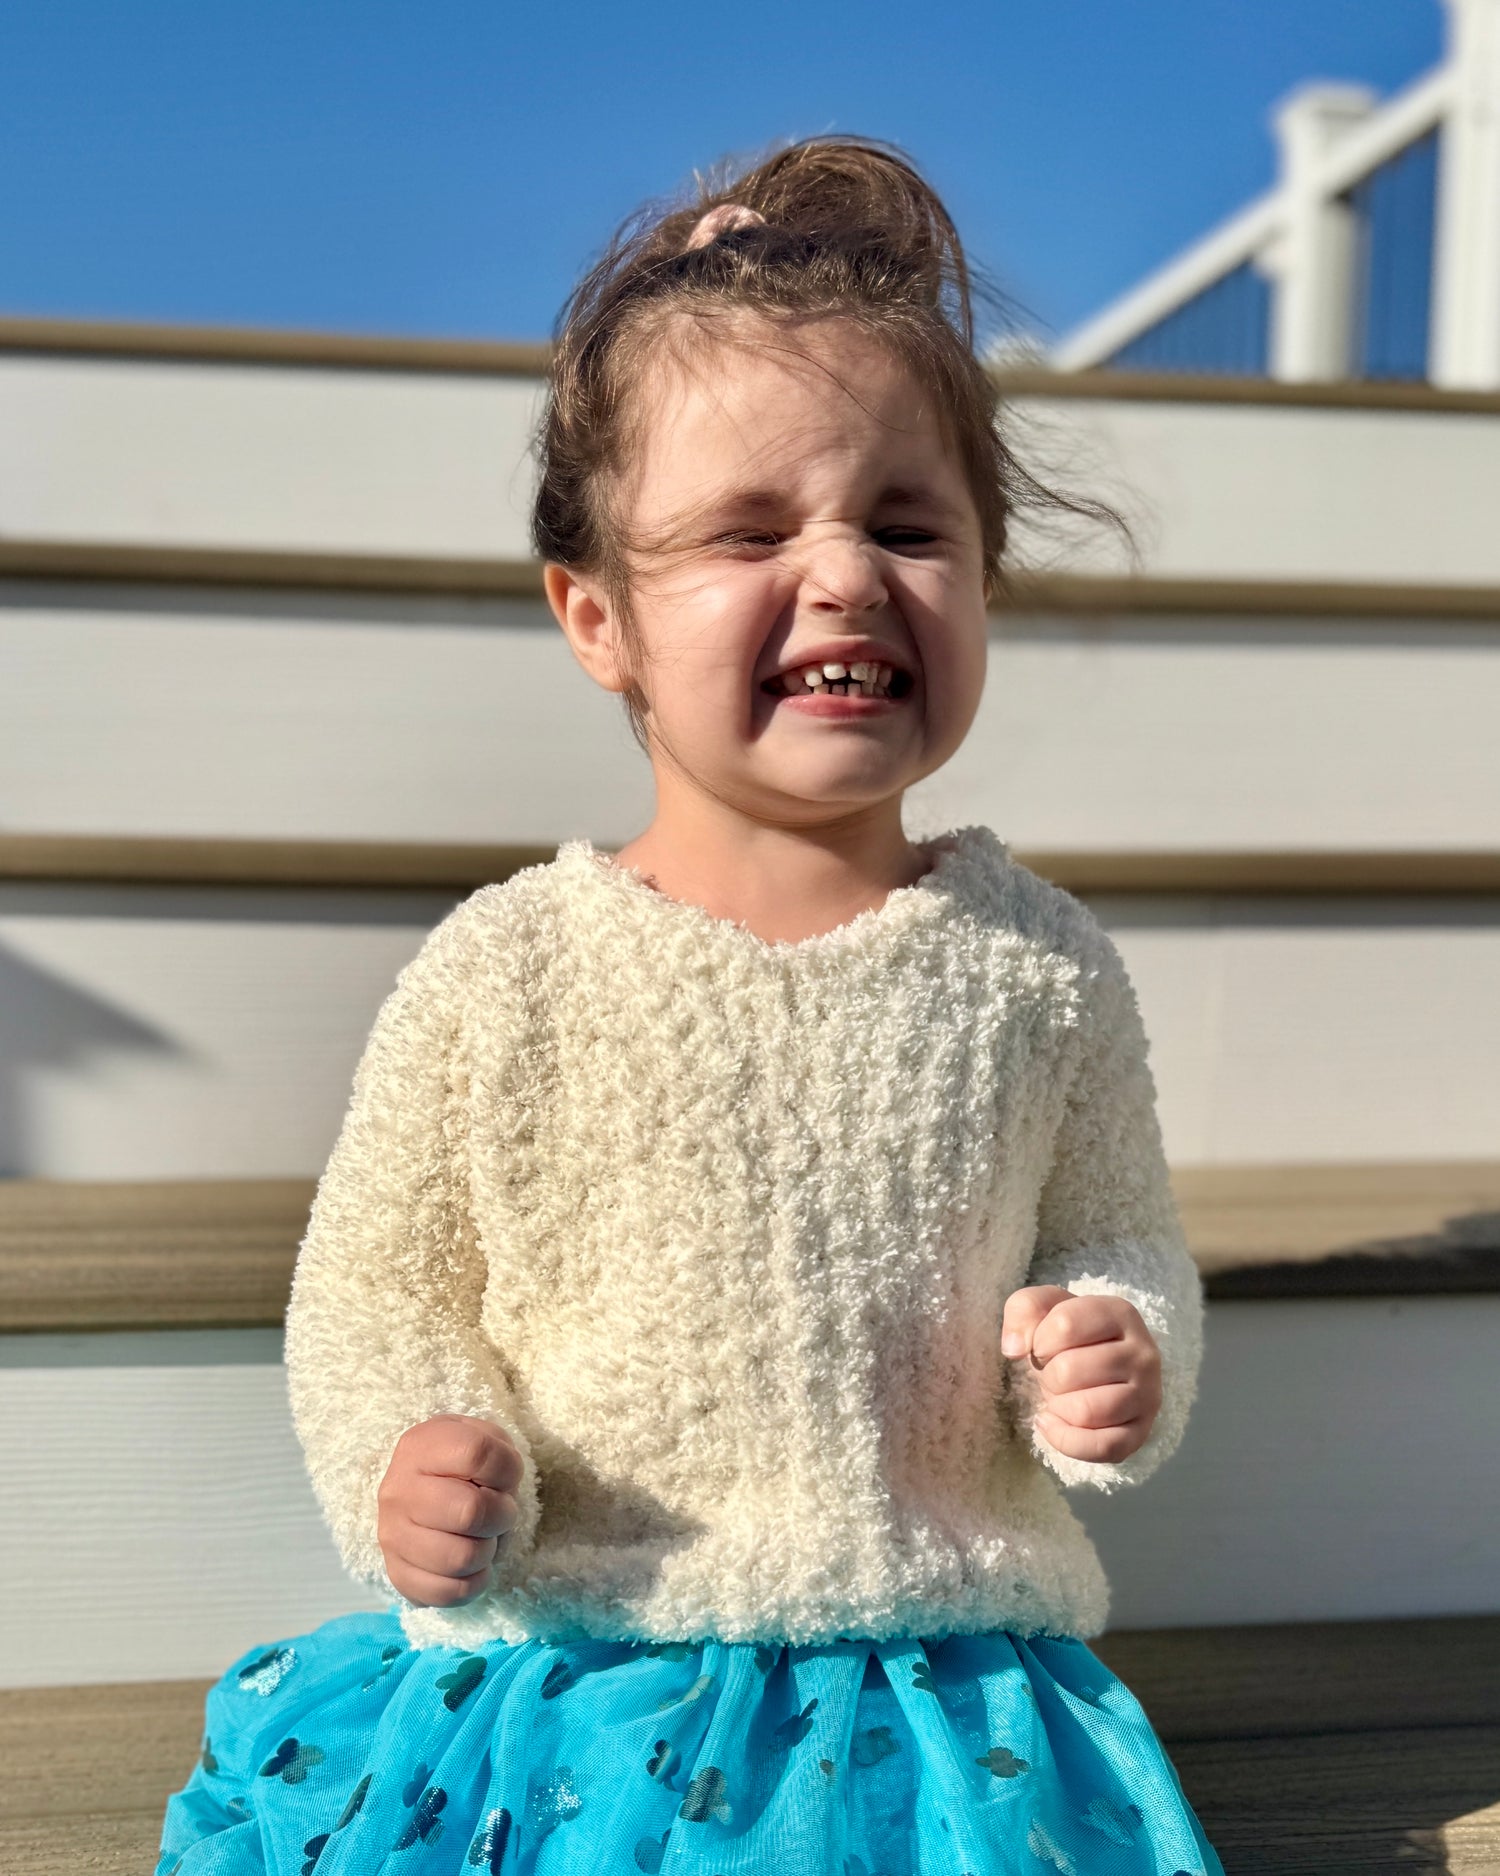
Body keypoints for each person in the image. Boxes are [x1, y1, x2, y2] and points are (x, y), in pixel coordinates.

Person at [157, 135, 1223, 1876]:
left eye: (907, 524)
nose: (845, 574)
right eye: (748, 530)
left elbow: (1123, 1236)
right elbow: (371, 1294)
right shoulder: (511, 973)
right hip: (588, 1683)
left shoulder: (1035, 967)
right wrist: (413, 1461)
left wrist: (1116, 1350)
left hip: (941, 1707)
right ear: (601, 619)